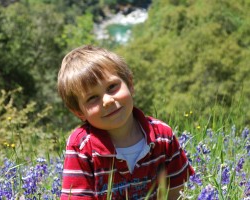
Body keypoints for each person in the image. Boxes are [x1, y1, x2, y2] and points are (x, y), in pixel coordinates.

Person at [57, 45, 194, 200]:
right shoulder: (81, 146)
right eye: (92, 98)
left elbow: (179, 192)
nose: (107, 101)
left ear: (130, 84)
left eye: (112, 87)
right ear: (79, 112)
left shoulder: (162, 135)